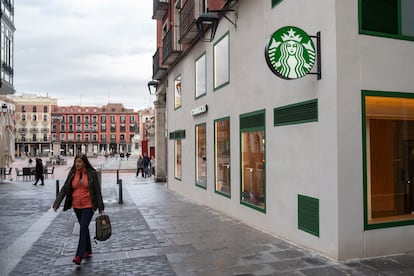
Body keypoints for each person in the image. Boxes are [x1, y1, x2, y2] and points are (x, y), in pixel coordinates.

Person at [52, 154, 104, 265]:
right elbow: (65, 188)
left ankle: (79, 255)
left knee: (83, 227)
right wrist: (57, 203)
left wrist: (101, 207)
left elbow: (97, 191)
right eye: (76, 162)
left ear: (84, 163)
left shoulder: (91, 174)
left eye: (79, 162)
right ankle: (88, 250)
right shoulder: (72, 173)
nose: (77, 164)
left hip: (88, 205)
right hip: (76, 206)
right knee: (83, 228)